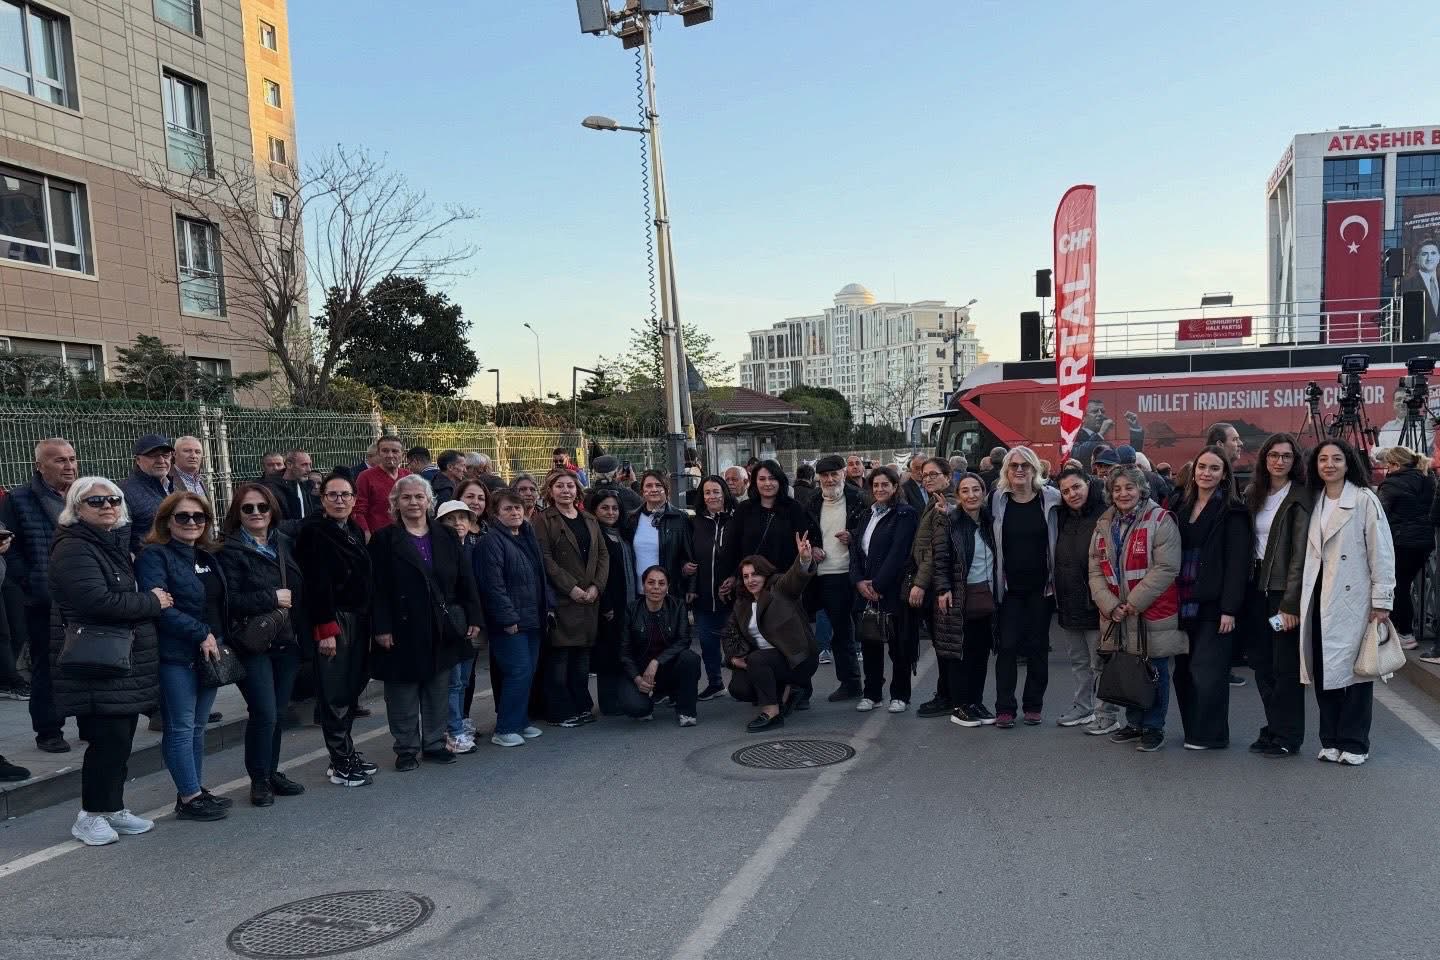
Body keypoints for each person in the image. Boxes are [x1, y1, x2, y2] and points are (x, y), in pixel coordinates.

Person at [49, 477, 167, 845]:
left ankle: (111, 808)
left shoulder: (108, 541)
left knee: (120, 738)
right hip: (96, 660)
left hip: (117, 661)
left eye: (113, 499)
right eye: (96, 501)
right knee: (107, 739)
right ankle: (89, 816)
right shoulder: (74, 547)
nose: (108, 506)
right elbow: (95, 602)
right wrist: (152, 602)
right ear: (76, 508)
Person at [368, 476, 482, 770]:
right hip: (401, 625)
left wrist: (473, 616)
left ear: (429, 501)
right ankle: (406, 749)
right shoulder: (383, 539)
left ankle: (433, 744)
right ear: (395, 503)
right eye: (406, 497)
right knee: (403, 692)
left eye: (419, 497)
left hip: (440, 624)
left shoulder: (446, 535)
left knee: (438, 687)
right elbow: (377, 588)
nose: (413, 502)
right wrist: (381, 627)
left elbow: (465, 578)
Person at [135, 492, 230, 822]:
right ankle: (189, 797)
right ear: (166, 521)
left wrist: (218, 637)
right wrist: (200, 632)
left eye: (198, 517)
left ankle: (194, 789)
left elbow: (217, 602)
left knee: (198, 727)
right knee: (181, 727)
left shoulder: (206, 555)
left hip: (209, 653)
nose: (192, 522)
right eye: (183, 516)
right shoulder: (154, 556)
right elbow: (160, 608)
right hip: (175, 655)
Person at [1300, 439, 1395, 765]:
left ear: (1348, 463)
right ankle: (1330, 740)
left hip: (1354, 599)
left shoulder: (1364, 499)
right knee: (1325, 671)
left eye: (1336, 459)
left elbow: (1381, 552)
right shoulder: (1315, 500)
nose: (1329, 465)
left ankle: (1355, 742)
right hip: (1319, 596)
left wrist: (1381, 601)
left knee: (1357, 673)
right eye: (1323, 459)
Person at [216, 483, 306, 805]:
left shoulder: (284, 542)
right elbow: (228, 600)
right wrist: (271, 597)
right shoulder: (228, 551)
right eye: (248, 508)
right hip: (251, 643)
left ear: (272, 510)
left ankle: (271, 771)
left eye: (262, 507)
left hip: (285, 640)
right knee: (264, 712)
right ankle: (259, 780)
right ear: (237, 514)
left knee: (278, 713)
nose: (256, 513)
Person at [1088, 464, 1185, 752]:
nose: (1123, 493)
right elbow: (1095, 570)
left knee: (1154, 670)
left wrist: (1132, 603)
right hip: (1118, 613)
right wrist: (1111, 605)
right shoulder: (1104, 524)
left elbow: (1167, 568)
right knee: (1128, 668)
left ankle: (1153, 727)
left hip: (1150, 611)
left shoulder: (1161, 519)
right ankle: (1134, 723)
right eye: (1117, 489)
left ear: (1141, 489)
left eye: (1129, 487)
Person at [294, 473, 376, 787]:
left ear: (354, 499)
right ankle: (341, 761)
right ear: (323, 499)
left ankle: (345, 753)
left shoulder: (352, 529)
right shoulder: (314, 532)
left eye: (345, 495)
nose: (339, 500)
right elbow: (316, 584)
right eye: (333, 495)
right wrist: (325, 628)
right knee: (334, 693)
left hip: (358, 617)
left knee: (351, 688)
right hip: (333, 619)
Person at [2, 437, 80, 753]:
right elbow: (10, 548)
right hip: (44, 600)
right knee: (47, 666)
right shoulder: (19, 499)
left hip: (86, 595)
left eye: (72, 459)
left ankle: (91, 722)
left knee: (89, 661)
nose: (69, 466)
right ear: (40, 465)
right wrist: (31, 583)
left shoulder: (86, 495)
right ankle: (49, 730)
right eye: (60, 460)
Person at [1172, 445, 1251, 751]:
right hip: (1181, 601)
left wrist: (1229, 609)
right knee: (1183, 671)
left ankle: (1211, 735)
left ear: (1224, 474)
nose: (1206, 473)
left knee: (1207, 671)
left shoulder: (1233, 511)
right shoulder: (1181, 504)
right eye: (1202, 467)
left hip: (1214, 604)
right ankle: (1193, 730)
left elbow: (1237, 564)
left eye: (1214, 468)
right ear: (1194, 471)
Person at [1241, 433, 1310, 758]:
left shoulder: (1300, 497)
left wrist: (1290, 604)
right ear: (1264, 458)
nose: (1279, 461)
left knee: (1285, 667)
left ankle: (1288, 735)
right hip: (1255, 589)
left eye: (1286, 456)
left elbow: (1300, 555)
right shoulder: (1253, 492)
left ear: (1295, 461)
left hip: (1281, 592)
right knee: (1262, 663)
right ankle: (1274, 727)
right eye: (1273, 455)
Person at [988, 446, 1061, 728]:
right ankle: (1005, 708)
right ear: (1006, 470)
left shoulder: (1051, 499)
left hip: (1042, 589)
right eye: (1014, 465)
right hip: (1009, 589)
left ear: (1035, 469)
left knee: (1037, 647)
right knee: (1007, 647)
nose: (1019, 470)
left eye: (1025, 465)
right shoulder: (997, 500)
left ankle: (1033, 706)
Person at [534, 469, 608, 727]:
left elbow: (602, 555)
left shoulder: (589, 518)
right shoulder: (543, 520)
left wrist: (597, 586)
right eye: (559, 486)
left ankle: (582, 706)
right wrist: (571, 588)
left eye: (570, 486)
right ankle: (560, 711)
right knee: (560, 659)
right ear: (550, 491)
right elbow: (545, 558)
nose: (565, 490)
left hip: (589, 600)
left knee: (582, 659)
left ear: (577, 490)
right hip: (564, 600)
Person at [476, 489, 549, 747]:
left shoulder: (526, 535)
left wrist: (547, 606)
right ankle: (505, 728)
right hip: (510, 622)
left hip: (532, 617)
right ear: (496, 514)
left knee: (528, 672)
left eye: (517, 507)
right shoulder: (491, 542)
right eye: (508, 508)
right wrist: (507, 618)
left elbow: (540, 576)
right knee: (517, 672)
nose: (515, 512)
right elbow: (492, 585)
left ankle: (520, 721)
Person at [724, 538, 820, 731]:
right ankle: (786, 692)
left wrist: (803, 559)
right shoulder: (742, 603)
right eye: (746, 576)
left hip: (797, 659)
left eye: (755, 574)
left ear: (765, 574)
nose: (750, 580)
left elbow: (795, 578)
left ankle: (772, 713)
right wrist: (733, 659)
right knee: (739, 688)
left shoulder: (780, 589)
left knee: (757, 659)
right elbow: (729, 633)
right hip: (766, 662)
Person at [1050, 465, 1117, 732]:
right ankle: (1083, 707)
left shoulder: (1106, 514)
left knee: (1100, 662)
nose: (1072, 494)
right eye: (1066, 491)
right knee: (1079, 661)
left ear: (1088, 484)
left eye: (1076, 487)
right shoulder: (1062, 516)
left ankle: (1107, 714)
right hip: (1068, 602)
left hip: (1096, 603)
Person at [849, 465, 919, 713]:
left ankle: (900, 695)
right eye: (875, 485)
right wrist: (859, 581)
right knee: (870, 645)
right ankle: (872, 694)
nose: (879, 489)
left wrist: (877, 585)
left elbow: (898, 553)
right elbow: (856, 551)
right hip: (865, 591)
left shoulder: (905, 514)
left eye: (885, 485)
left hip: (892, 590)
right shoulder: (867, 515)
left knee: (899, 647)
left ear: (895, 487)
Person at [933, 472, 997, 727]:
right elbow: (940, 558)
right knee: (960, 654)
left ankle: (975, 702)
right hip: (959, 597)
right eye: (965, 491)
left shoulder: (990, 522)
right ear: (958, 496)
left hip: (986, 597)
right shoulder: (950, 522)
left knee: (981, 653)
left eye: (976, 490)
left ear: (984, 493)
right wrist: (943, 589)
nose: (971, 495)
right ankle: (960, 706)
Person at [807, 455, 867, 701]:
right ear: (818, 478)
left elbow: (871, 531)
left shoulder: (859, 498)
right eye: (824, 476)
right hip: (823, 575)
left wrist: (853, 536)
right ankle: (849, 683)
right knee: (838, 632)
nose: (830, 480)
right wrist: (812, 547)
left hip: (852, 573)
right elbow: (805, 532)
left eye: (834, 474)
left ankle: (863, 684)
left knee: (857, 631)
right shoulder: (812, 501)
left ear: (844, 473)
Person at [719, 461, 821, 600]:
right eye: (762, 479)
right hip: (751, 584)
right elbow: (732, 546)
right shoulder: (744, 509)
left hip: (784, 584)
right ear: (754, 482)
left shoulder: (794, 509)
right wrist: (732, 575)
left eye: (772, 478)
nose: (767, 483)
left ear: (780, 481)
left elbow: (804, 544)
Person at [618, 566, 701, 726]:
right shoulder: (631, 609)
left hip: (668, 668)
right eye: (651, 582)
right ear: (643, 586)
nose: (656, 587)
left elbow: (684, 640)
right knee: (637, 708)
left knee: (690, 658)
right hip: (641, 672)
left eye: (661, 583)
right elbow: (624, 652)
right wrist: (637, 679)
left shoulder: (678, 606)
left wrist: (656, 661)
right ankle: (649, 699)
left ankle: (686, 711)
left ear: (668, 587)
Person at [909, 458, 956, 718]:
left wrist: (920, 583)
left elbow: (934, 550)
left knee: (945, 644)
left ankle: (947, 696)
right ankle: (945, 693)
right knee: (942, 644)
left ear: (948, 477)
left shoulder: (945, 503)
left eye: (933, 474)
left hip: (939, 584)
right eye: (924, 475)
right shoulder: (933, 501)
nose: (927, 479)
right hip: (937, 582)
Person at [1376, 446, 1435, 650]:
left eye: (1387, 465)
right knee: (1404, 585)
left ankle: (1404, 633)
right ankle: (1401, 630)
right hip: (1425, 542)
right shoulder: (1428, 479)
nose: (1386, 469)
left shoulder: (1392, 484)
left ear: (1395, 464)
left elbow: (1378, 514)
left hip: (1401, 542)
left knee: (1397, 586)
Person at [435, 499, 481, 753]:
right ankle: (452, 731)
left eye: (462, 518)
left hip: (468, 623)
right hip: (449, 624)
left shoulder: (472, 548)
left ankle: (459, 723)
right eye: (450, 519)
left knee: (463, 680)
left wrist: (475, 619)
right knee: (452, 682)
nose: (457, 523)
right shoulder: (438, 551)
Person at [587, 489, 636, 717]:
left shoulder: (623, 533)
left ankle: (625, 697)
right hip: (608, 604)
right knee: (608, 653)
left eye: (615, 508)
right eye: (604, 508)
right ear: (595, 510)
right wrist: (605, 603)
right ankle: (608, 702)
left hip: (628, 600)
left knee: (624, 649)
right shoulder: (595, 535)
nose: (610, 512)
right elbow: (596, 573)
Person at [689, 475, 737, 701]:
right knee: (708, 645)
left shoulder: (736, 520)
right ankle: (715, 683)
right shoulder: (695, 522)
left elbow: (744, 552)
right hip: (704, 595)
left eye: (716, 491)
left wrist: (735, 577)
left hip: (732, 597)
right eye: (707, 492)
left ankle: (743, 684)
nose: (712, 496)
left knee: (735, 644)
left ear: (724, 493)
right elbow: (688, 554)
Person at [624, 470, 692, 597]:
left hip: (669, 593)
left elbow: (689, 557)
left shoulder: (680, 518)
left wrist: (691, 588)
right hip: (638, 592)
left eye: (658, 485)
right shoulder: (632, 519)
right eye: (649, 486)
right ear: (642, 491)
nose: (654, 489)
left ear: (666, 490)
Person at [121, 434, 175, 555]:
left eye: (166, 455)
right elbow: (122, 540)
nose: (161, 460)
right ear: (138, 460)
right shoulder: (124, 492)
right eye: (153, 455)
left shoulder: (173, 487)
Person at [354, 436, 409, 535]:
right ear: (378, 454)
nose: (390, 455)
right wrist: (366, 533)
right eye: (385, 451)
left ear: (403, 455)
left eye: (395, 451)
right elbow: (358, 511)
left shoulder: (408, 476)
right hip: (378, 536)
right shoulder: (365, 477)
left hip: (406, 535)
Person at [1399, 237, 1440, 338]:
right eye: (1424, 254)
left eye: (1433, 253)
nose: (1429, 258)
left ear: (1439, 257)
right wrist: (1427, 337)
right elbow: (1406, 319)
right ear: (1417, 259)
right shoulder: (1406, 285)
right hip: (1420, 342)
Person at [264, 450, 320, 524]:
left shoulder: (304, 485)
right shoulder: (272, 489)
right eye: (304, 465)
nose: (309, 469)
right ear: (289, 465)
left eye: (310, 465)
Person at [171, 436, 208, 500]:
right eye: (187, 451)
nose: (193, 456)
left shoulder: (201, 480)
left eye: (198, 452)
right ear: (175, 454)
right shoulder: (166, 480)